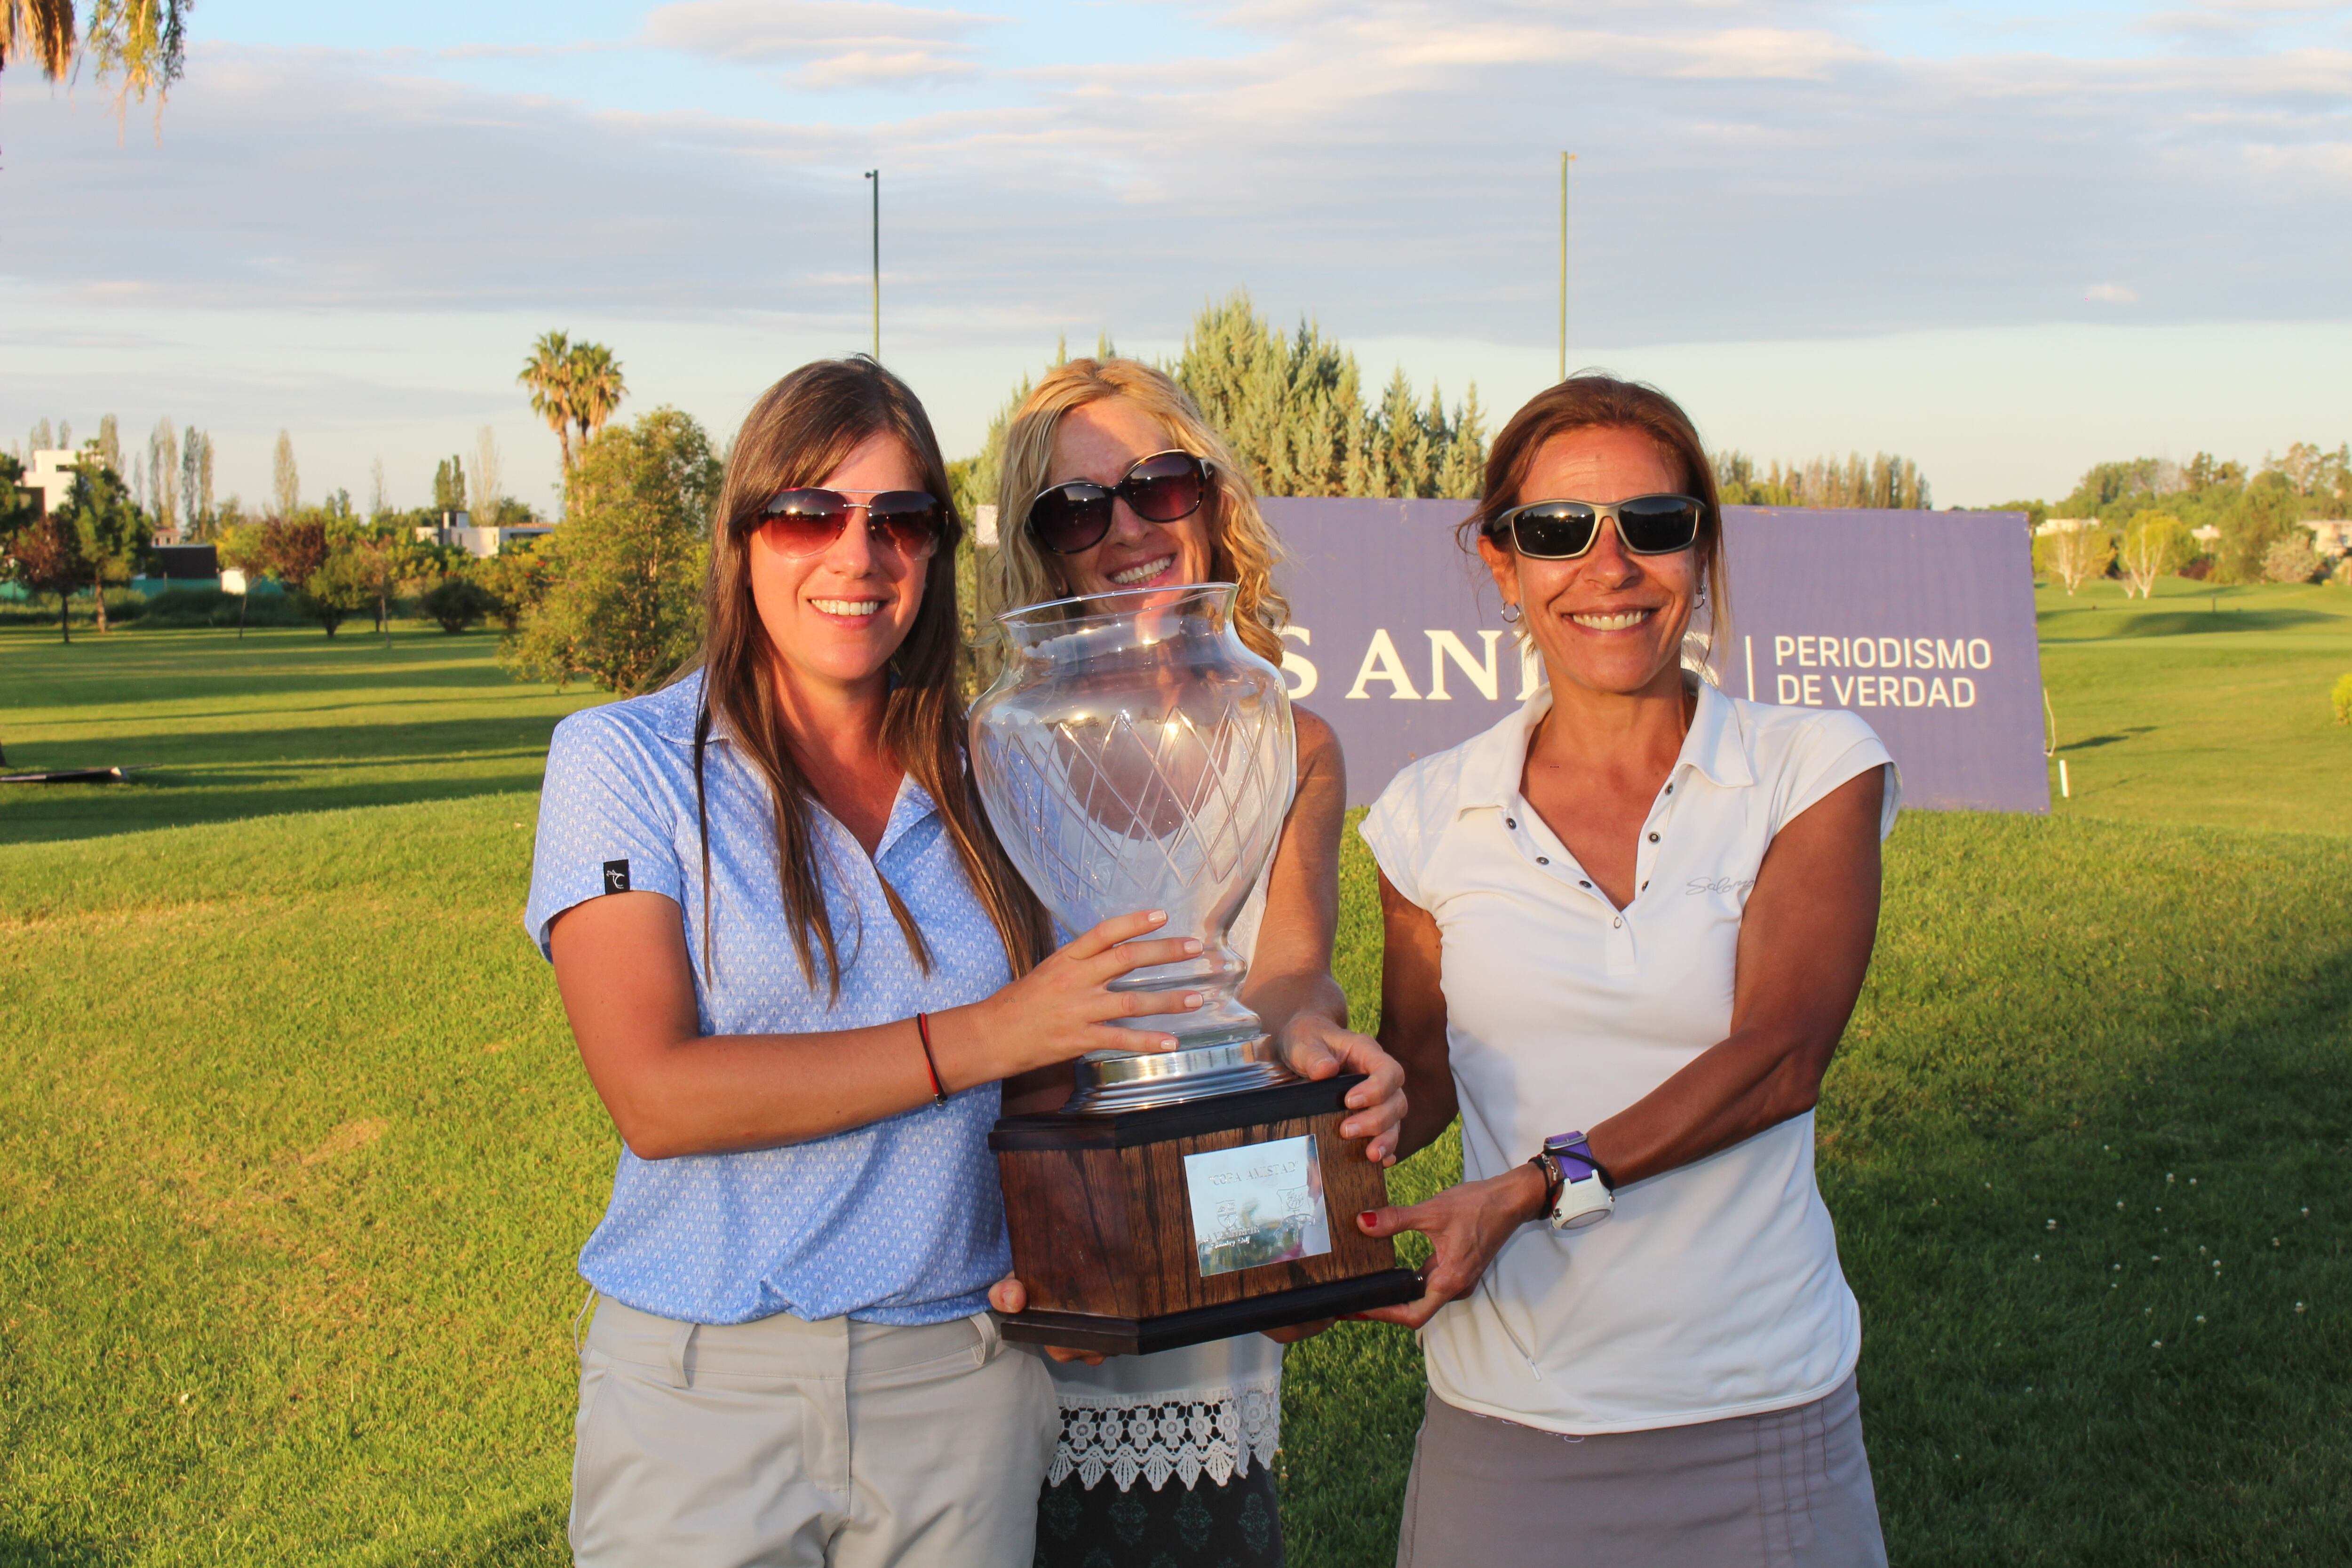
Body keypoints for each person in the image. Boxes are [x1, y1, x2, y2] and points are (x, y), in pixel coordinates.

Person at [527, 357, 1219, 1568]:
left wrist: (1126, 1235)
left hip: (960, 1386)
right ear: (744, 534)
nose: (858, 555)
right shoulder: (624, 761)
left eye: (900, 520)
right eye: (809, 514)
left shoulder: (994, 768)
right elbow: (657, 1094)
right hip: (705, 1390)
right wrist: (996, 1032)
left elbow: (1054, 1079)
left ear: (938, 553)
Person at [1356, 375, 1899, 1567]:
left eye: (1653, 525)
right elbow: (1423, 1081)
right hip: (1508, 1423)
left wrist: (1538, 1183)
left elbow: (1779, 1059)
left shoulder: (1809, 767)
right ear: (1502, 565)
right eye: (1557, 532)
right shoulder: (1425, 815)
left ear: (1699, 549)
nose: (1609, 567)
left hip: (1760, 1413)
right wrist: (1302, 1110)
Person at [978, 358, 1407, 1568]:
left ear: (1211, 497)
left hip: (1212, 1222)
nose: (1125, 529)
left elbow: (1285, 976)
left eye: (1158, 484)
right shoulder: (990, 749)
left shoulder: (1294, 734)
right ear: (1040, 548)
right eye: (1076, 508)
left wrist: (1315, 1051)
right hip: (1035, 1264)